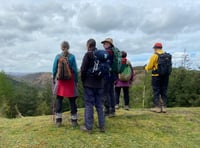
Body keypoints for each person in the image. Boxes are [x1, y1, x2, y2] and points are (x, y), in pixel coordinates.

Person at [80, 39, 105, 133]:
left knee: (89, 105)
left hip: (89, 84)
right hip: (100, 84)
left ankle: (88, 127)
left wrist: (83, 81)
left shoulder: (88, 55)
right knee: (99, 105)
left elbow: (83, 69)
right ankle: (102, 126)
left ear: (88, 45)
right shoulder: (101, 55)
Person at [52, 41, 78, 127]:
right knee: (72, 100)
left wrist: (54, 79)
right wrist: (76, 81)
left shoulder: (57, 57)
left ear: (61, 48)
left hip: (61, 82)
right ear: (68, 47)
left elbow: (54, 70)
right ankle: (74, 121)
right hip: (70, 81)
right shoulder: (72, 57)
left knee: (59, 99)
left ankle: (58, 121)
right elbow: (75, 70)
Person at [145, 42, 170, 113]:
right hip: (165, 76)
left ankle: (157, 107)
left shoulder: (154, 56)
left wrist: (146, 68)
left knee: (156, 91)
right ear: (161, 48)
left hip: (156, 76)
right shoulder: (167, 55)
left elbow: (149, 67)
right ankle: (164, 107)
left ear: (155, 48)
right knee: (164, 90)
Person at [101, 38, 117, 117]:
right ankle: (112, 110)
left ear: (109, 44)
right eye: (104, 44)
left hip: (107, 75)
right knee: (111, 92)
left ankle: (107, 110)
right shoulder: (114, 52)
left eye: (105, 43)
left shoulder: (108, 52)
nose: (104, 45)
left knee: (105, 92)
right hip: (112, 75)